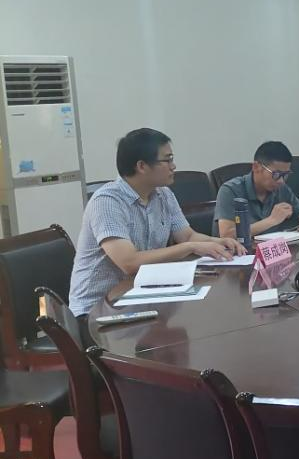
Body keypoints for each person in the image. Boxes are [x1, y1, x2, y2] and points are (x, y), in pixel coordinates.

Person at [68, 128, 245, 318]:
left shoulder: (163, 195)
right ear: (142, 166)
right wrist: (190, 247)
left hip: (141, 297)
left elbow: (187, 236)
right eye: (167, 160)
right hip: (97, 312)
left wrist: (217, 242)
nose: (173, 166)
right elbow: (129, 262)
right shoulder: (107, 202)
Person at [214, 141, 299, 238]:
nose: (281, 181)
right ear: (256, 167)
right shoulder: (230, 190)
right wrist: (272, 220)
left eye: (285, 175)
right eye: (276, 174)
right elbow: (227, 235)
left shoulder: (281, 189)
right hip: (241, 250)